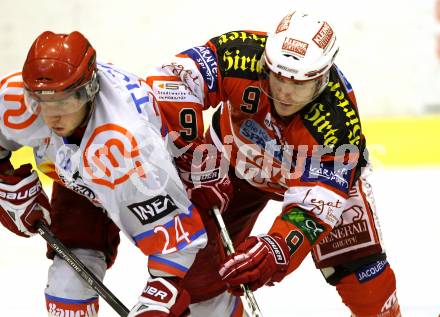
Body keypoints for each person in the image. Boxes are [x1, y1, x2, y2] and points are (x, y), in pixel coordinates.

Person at [146, 10, 401, 316]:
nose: (284, 92)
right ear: (265, 62)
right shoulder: (239, 53)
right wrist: (190, 151)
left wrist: (277, 249)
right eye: (277, 76)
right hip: (228, 163)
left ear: (323, 78)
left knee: (364, 277)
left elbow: (313, 206)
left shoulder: (337, 124)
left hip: (314, 183)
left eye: (300, 85)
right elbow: (169, 80)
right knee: (195, 272)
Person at [0, 31, 214, 317]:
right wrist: (5, 182)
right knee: (66, 289)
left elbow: (178, 238)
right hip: (77, 180)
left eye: (63, 102)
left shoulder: (127, 142)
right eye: (41, 100)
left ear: (88, 91)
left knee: (206, 293)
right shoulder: (15, 98)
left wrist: (159, 298)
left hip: (144, 181)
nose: (51, 116)